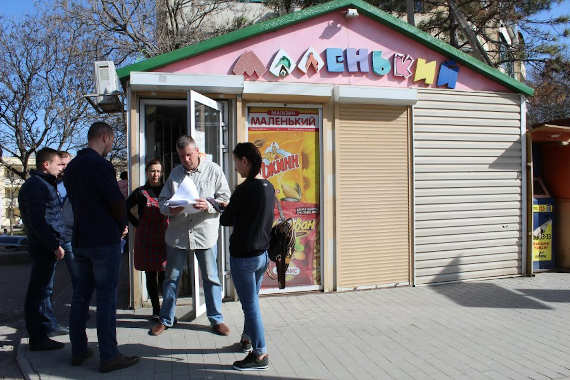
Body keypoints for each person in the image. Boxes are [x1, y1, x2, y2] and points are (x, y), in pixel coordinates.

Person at [64, 122, 139, 373]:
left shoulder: (72, 166)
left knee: (80, 296)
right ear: (104, 137)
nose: (111, 145)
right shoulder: (101, 165)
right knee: (106, 299)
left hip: (81, 240)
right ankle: (109, 355)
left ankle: (78, 350)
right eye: (111, 140)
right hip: (104, 241)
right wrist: (123, 224)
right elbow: (115, 201)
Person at [150, 135, 231, 336]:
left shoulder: (214, 170)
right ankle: (166, 319)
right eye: (181, 156)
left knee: (211, 278)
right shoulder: (176, 173)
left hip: (204, 235)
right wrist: (171, 209)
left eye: (188, 155)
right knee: (171, 279)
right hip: (178, 236)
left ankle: (216, 319)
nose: (185, 160)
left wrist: (209, 205)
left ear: (196, 151)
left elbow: (226, 200)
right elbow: (162, 202)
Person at [220, 142, 274, 371]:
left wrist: (225, 206)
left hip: (244, 257)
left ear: (245, 161)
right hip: (262, 255)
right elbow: (253, 215)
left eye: (235, 162)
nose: (235, 168)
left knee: (250, 305)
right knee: (252, 302)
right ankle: (247, 339)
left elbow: (227, 220)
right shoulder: (268, 186)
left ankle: (260, 354)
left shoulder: (244, 189)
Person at [18, 147, 66, 351]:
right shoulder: (36, 187)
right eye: (57, 164)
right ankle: (37, 338)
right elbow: (37, 222)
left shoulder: (44, 184)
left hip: (46, 246)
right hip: (43, 247)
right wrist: (54, 245)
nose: (60, 168)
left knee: (43, 290)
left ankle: (42, 332)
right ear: (46, 165)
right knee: (38, 292)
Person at [126, 159, 168, 319]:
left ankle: (166, 310)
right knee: (151, 275)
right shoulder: (139, 192)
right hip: (147, 240)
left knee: (165, 276)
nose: (155, 174)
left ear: (162, 173)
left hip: (165, 238)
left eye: (158, 171)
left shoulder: (168, 190)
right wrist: (136, 224)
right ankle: (156, 311)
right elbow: (126, 208)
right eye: (152, 171)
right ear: (147, 173)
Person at [56, 151, 79, 294]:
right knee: (47, 282)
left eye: (67, 164)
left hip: (70, 235)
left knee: (78, 277)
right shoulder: (51, 184)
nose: (65, 168)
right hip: (53, 236)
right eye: (62, 164)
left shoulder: (76, 183)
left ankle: (80, 312)